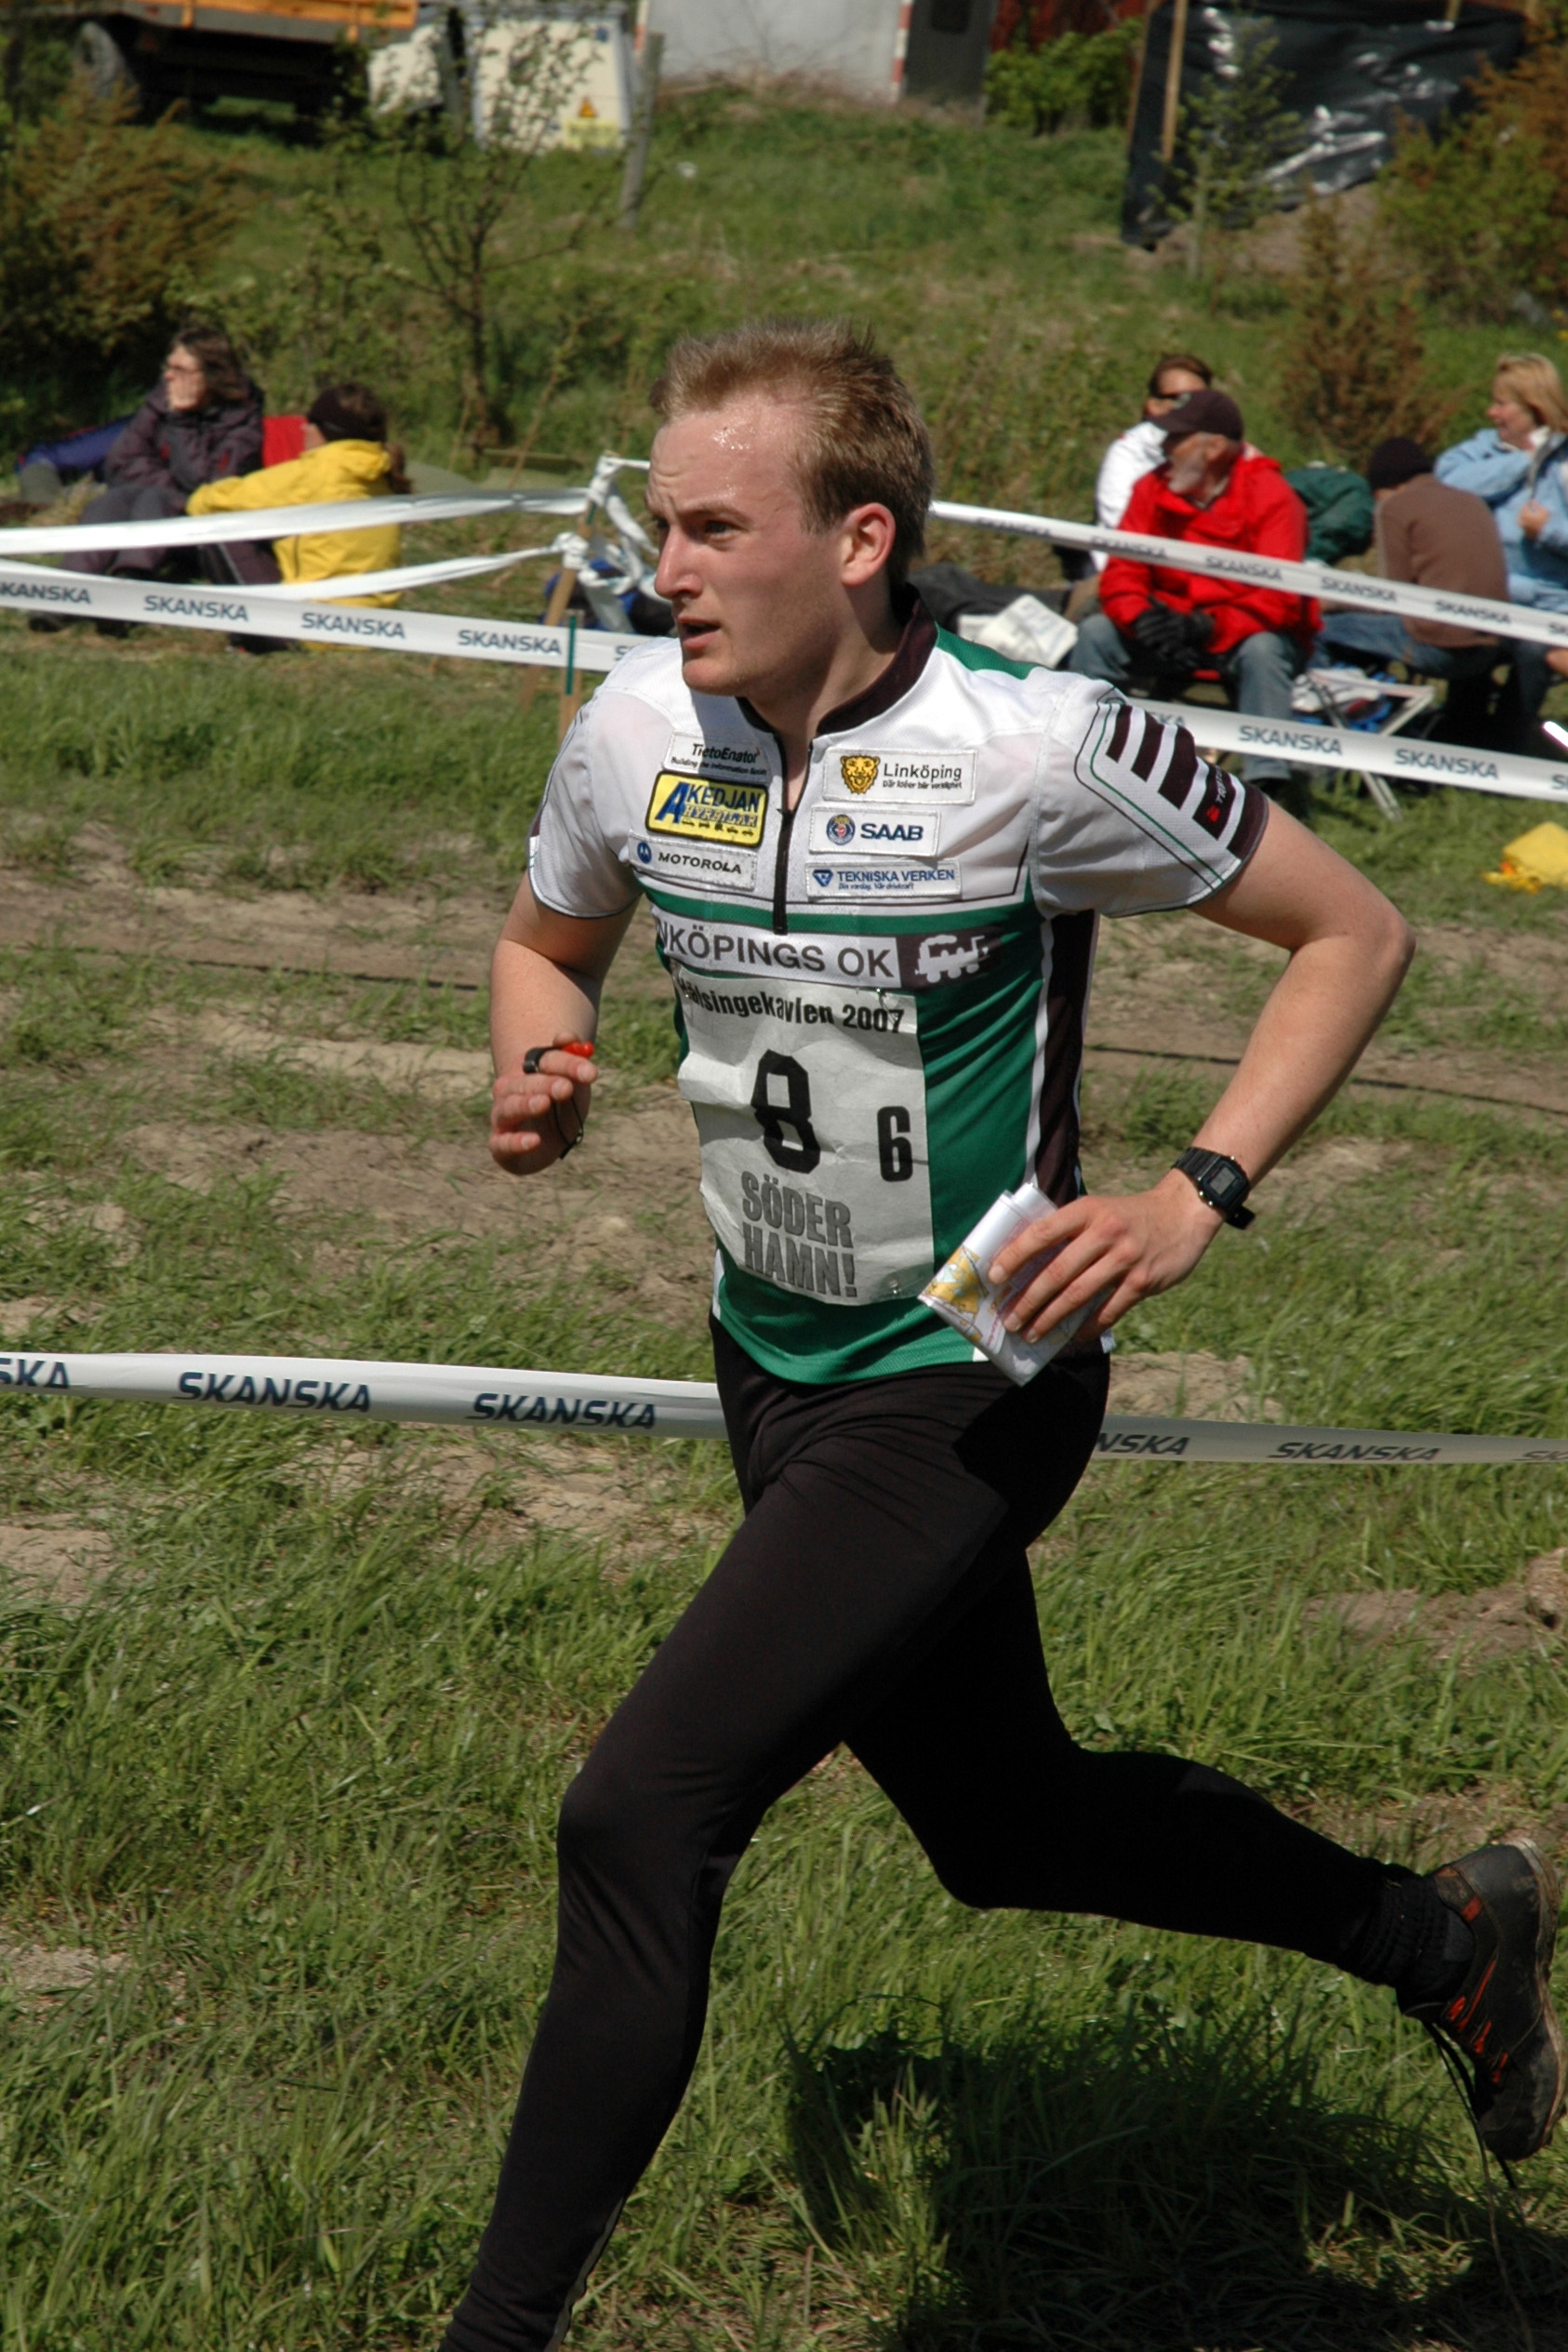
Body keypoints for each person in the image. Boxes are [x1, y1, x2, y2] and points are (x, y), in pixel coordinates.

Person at [447, 318, 1563, 2352]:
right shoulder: (632, 730)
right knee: (1004, 1824)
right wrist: (542, 1063)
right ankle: (1445, 1937)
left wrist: (1193, 1191)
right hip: (770, 1355)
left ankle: (493, 2331)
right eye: (661, 525)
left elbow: (1355, 930)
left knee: (639, 1812)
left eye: (713, 529)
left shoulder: (1035, 746)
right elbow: (547, 941)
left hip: (969, 1372)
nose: (664, 566)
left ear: (860, 538)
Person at [1072, 389, 1318, 800]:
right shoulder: (1150, 489)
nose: (1164, 448)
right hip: (1167, 633)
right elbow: (1121, 573)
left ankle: (1267, 786)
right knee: (1097, 632)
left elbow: (1280, 601)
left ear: (1214, 447)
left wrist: (1206, 627)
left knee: (1264, 650)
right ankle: (1083, 760)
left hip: (1239, 639)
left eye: (1176, 438)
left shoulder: (1273, 497)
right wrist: (1141, 620)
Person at [1315, 438, 1508, 747]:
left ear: (1386, 487)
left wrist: (1333, 601)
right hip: (1491, 646)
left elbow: (1391, 597)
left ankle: (1331, 734)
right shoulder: (1471, 501)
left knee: (1318, 629)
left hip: (1437, 644)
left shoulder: (1396, 507)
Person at [60, 325, 272, 588]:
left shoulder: (243, 421)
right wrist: (167, 486)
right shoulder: (162, 401)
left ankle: (131, 581)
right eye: (168, 367)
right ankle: (68, 586)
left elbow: (210, 487)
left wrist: (181, 423)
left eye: (180, 370)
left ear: (211, 375)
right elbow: (121, 461)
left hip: (212, 530)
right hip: (156, 505)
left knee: (155, 500)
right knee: (113, 500)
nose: (169, 376)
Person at [1436, 353, 1568, 751]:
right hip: (1487, 600)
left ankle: (1509, 743)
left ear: (1534, 407)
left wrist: (1548, 532)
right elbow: (1448, 484)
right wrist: (1525, 461)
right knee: (1470, 645)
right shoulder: (1484, 450)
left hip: (1550, 610)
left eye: (1502, 404)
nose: (1491, 413)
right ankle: (1458, 741)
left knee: (1534, 652)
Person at [186, 380, 409, 605]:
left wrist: (194, 499)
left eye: (311, 421)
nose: (303, 428)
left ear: (327, 430)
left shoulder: (314, 472)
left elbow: (216, 501)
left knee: (220, 526)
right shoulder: (383, 475)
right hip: (378, 619)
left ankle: (253, 627)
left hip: (316, 618)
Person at [1091, 350, 1214, 569]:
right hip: (1126, 569)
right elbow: (1123, 524)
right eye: (1183, 399)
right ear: (1154, 405)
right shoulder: (1127, 453)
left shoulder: (1220, 455)